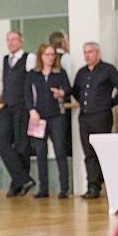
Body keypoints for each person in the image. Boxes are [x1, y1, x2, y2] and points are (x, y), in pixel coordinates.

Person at [0, 31, 36, 197]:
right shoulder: (4, 60)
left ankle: (17, 184)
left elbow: (32, 84)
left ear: (21, 41)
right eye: (8, 40)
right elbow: (0, 85)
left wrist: (33, 107)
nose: (11, 42)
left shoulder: (29, 58)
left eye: (14, 39)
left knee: (22, 145)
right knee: (2, 142)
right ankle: (23, 179)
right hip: (7, 106)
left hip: (23, 106)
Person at [72, 42, 118, 199]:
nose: (87, 55)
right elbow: (75, 91)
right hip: (85, 117)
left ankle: (107, 184)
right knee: (88, 153)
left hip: (101, 116)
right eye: (85, 52)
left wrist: (110, 103)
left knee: (102, 152)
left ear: (98, 53)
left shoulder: (108, 70)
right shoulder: (81, 72)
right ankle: (92, 187)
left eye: (90, 52)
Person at [26, 43, 72, 198]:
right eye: (47, 55)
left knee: (60, 151)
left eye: (53, 55)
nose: (51, 58)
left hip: (56, 116)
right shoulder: (33, 74)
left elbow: (68, 89)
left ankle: (64, 188)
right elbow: (27, 95)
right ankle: (43, 188)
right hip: (38, 117)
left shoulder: (60, 73)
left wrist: (61, 92)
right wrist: (32, 111)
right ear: (41, 56)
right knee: (40, 152)